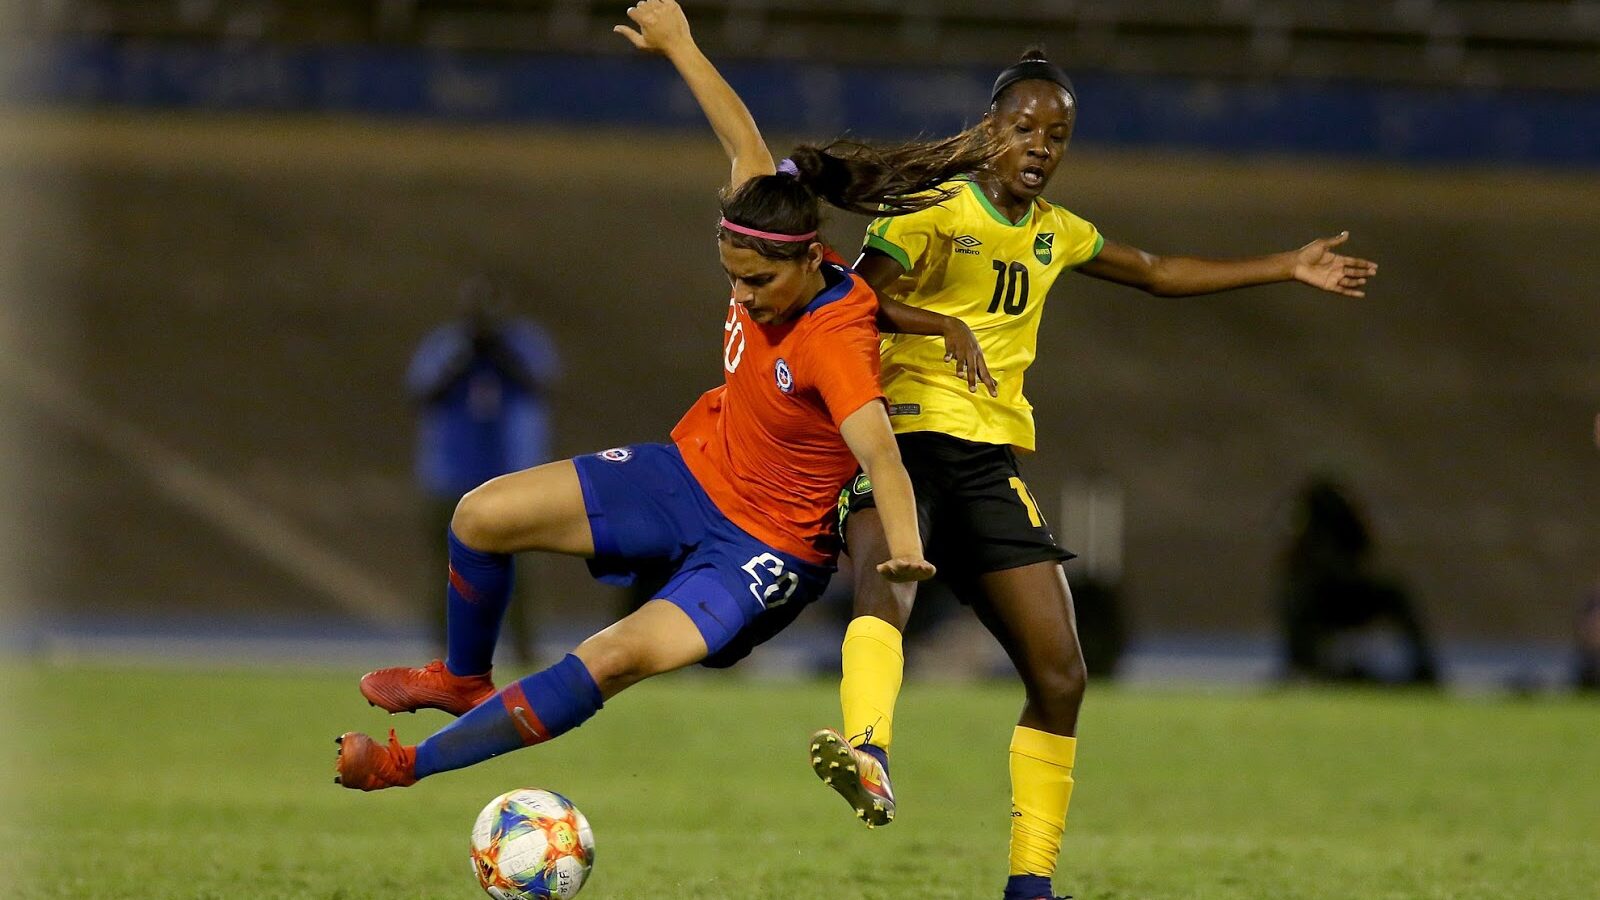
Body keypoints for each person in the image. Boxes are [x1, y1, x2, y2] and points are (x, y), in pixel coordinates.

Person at [330, 0, 1015, 792]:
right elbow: (742, 137)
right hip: (692, 474)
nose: (746, 296)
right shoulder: (769, 219)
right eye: (733, 278)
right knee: (479, 516)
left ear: (805, 264)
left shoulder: (836, 335)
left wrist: (904, 550)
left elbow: (880, 455)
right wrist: (681, 43)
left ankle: (407, 766)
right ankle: (461, 679)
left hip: (762, 550)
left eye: (759, 283)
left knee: (611, 657)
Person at [807, 49, 1381, 900]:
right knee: (891, 571)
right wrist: (939, 326)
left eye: (1058, 134)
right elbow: (851, 303)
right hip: (904, 440)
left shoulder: (1054, 231)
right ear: (991, 129)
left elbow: (1154, 272)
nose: (1041, 145)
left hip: (987, 466)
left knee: (1062, 674)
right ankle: (870, 750)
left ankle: (1030, 886)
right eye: (1025, 127)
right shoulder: (931, 209)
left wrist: (1283, 265)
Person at [408, 275, 559, 665]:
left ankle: (523, 649)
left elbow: (541, 385)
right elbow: (424, 393)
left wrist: (500, 355)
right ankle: (445, 651)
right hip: (451, 476)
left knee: (519, 570)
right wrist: (465, 358)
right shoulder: (446, 346)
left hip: (511, 476)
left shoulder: (522, 345)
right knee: (450, 570)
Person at [1277, 478, 1438, 685]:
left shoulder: (1343, 526)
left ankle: (1421, 673)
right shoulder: (1303, 589)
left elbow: (1361, 554)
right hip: (1320, 609)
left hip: (1345, 601)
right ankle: (1308, 669)